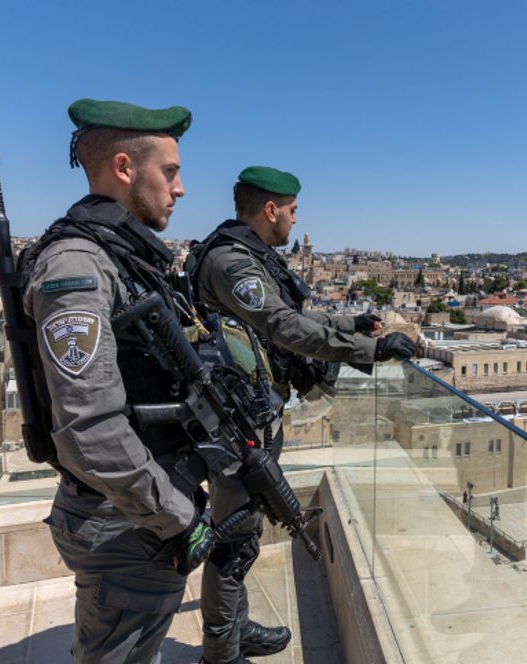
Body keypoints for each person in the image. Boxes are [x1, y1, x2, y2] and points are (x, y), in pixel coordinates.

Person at [189, 165, 416, 663]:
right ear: (270, 210)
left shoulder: (250, 257)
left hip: (249, 412)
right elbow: (282, 326)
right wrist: (367, 349)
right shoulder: (233, 263)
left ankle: (234, 630)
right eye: (292, 211)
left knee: (242, 534)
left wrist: (351, 321)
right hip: (236, 423)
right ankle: (221, 654)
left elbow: (290, 316)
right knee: (235, 540)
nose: (295, 220)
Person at [23, 99, 215, 662]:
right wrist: (176, 519)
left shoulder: (122, 254)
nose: (181, 190)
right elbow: (90, 426)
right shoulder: (77, 265)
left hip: (133, 510)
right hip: (124, 521)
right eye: (171, 172)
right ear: (125, 168)